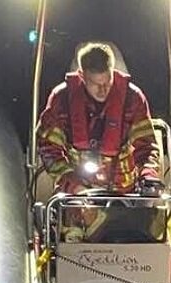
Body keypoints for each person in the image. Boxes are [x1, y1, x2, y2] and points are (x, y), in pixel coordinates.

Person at [35, 42, 162, 197]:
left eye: (107, 83)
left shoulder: (133, 99)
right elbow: (49, 148)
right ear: (81, 76)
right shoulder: (61, 100)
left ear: (113, 73)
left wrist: (148, 176)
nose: (102, 90)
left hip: (126, 194)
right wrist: (71, 183)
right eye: (96, 84)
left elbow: (146, 146)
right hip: (77, 194)